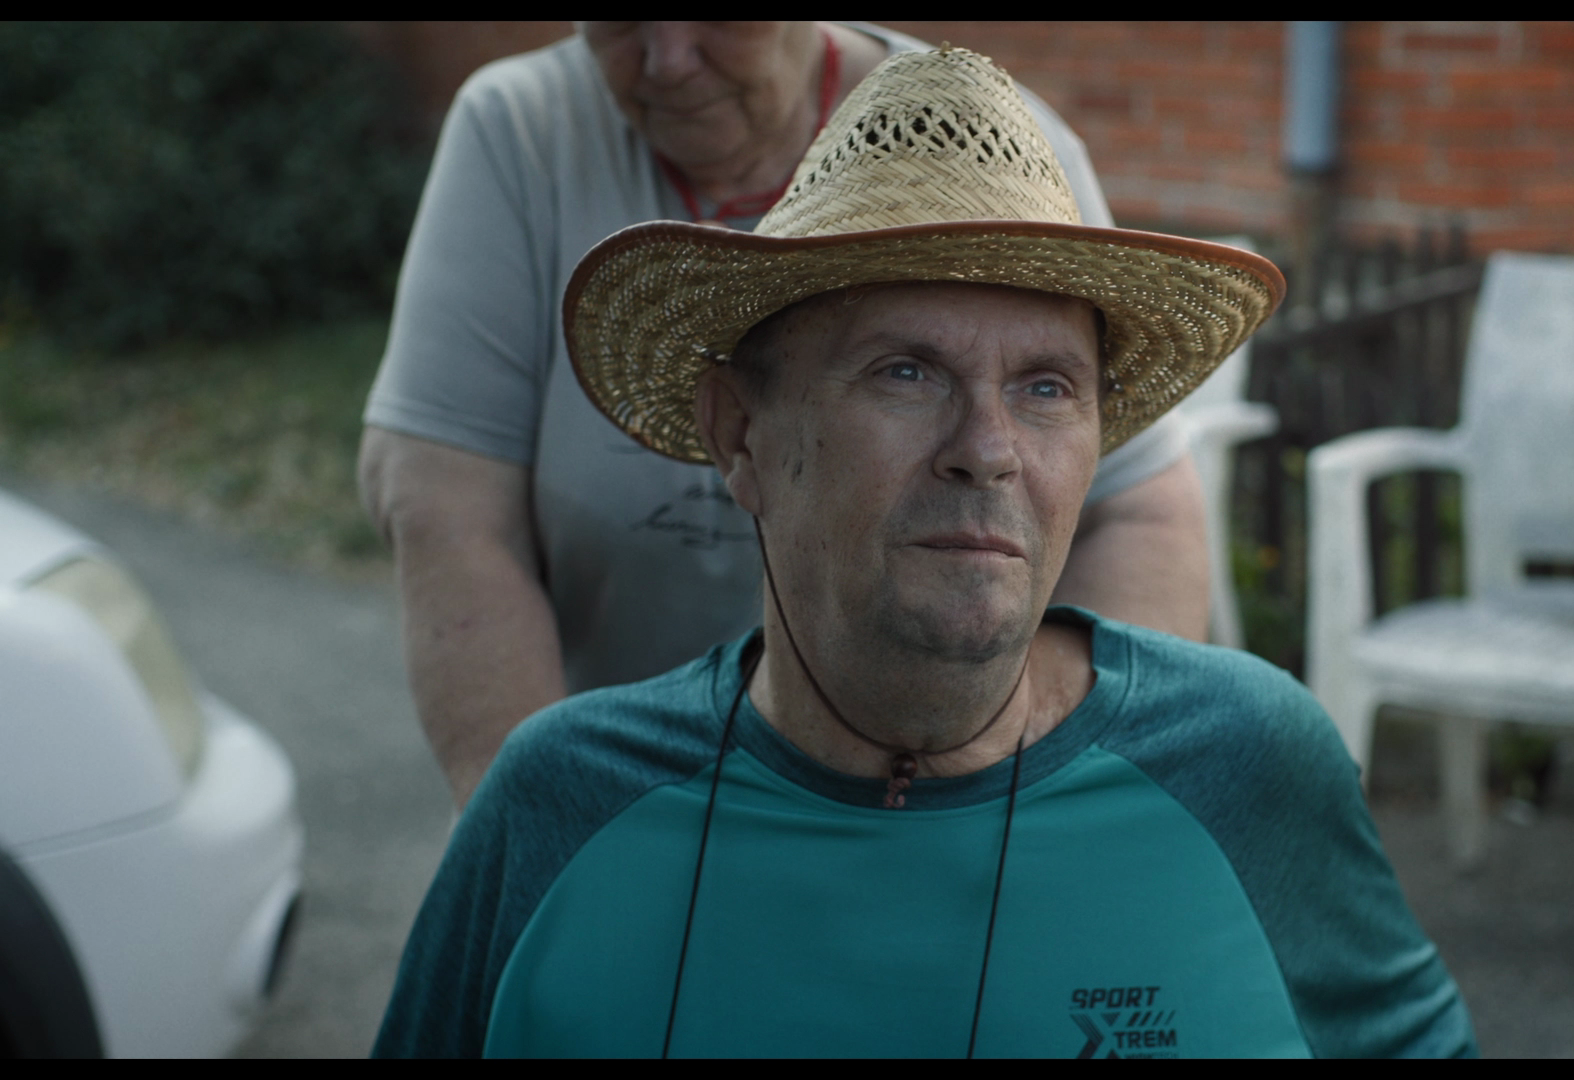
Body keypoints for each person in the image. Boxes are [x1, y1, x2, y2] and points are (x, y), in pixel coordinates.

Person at [373, 48, 1474, 1059]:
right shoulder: (561, 808)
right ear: (740, 434)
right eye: (905, 372)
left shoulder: (1247, 769)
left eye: (1046, 387)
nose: (987, 451)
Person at [357, 21, 1212, 809]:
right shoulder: (524, 131)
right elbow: (447, 507)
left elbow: (1143, 513)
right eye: (620, 23)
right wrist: (549, 829)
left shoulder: (986, 141)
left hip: (958, 806)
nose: (668, 60)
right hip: (614, 786)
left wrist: (1063, 806)